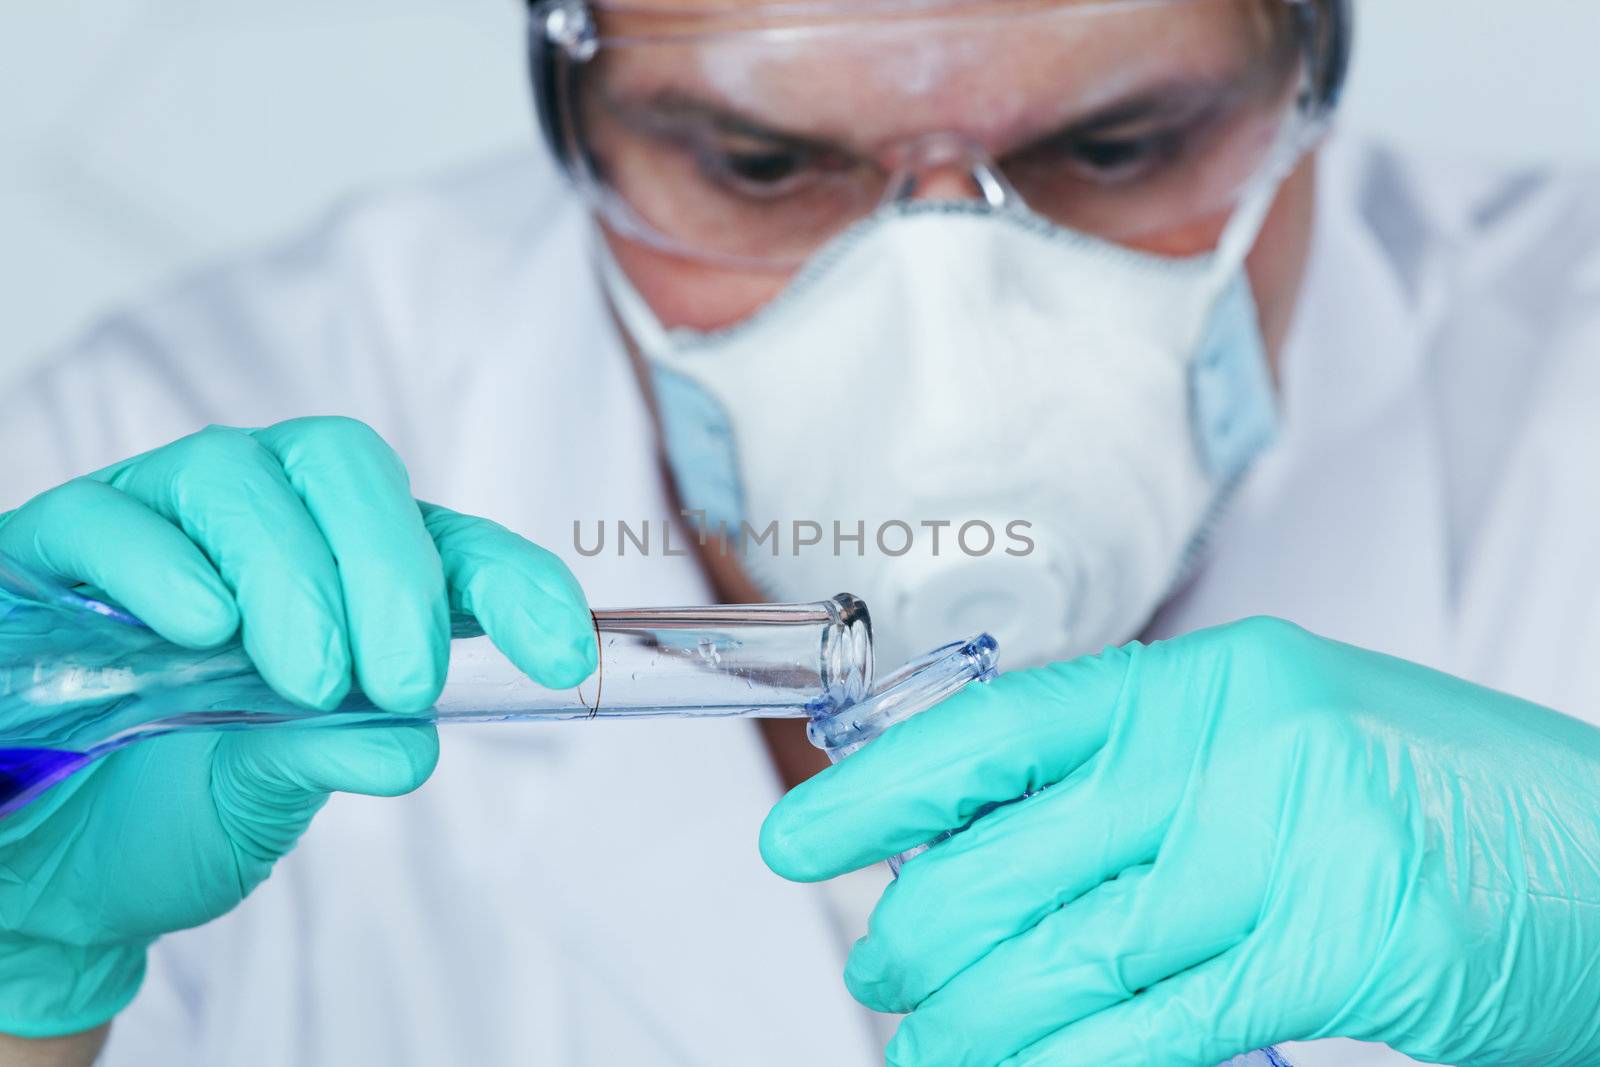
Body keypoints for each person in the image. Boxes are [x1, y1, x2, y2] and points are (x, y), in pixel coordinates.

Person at [0, 0, 1597, 1064]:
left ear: (1307, 64)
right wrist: (27, 978)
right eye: (766, 166)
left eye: (1114, 150)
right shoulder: (155, 499)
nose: (953, 338)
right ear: (583, 113)